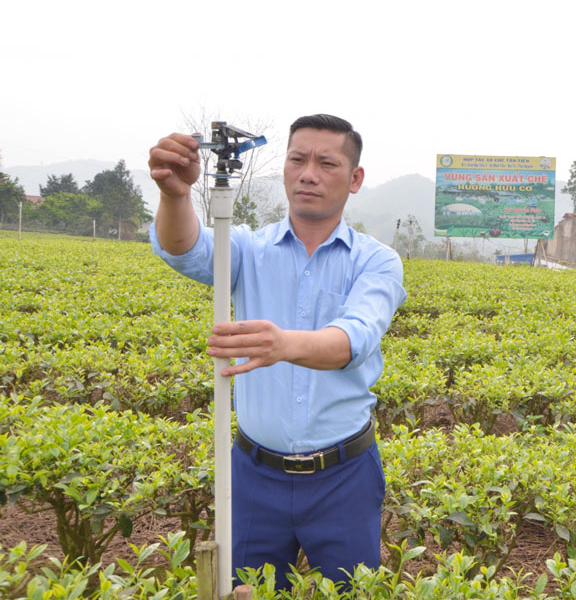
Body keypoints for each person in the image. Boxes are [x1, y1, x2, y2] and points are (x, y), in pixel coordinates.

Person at [147, 114, 406, 589]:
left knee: (351, 591)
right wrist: (174, 194)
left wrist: (283, 343)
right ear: (285, 168)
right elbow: (185, 249)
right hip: (253, 474)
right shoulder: (246, 247)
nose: (308, 173)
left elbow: (355, 338)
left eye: (327, 163)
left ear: (355, 179)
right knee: (246, 589)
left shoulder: (376, 261)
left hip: (344, 475)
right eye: (297, 159)